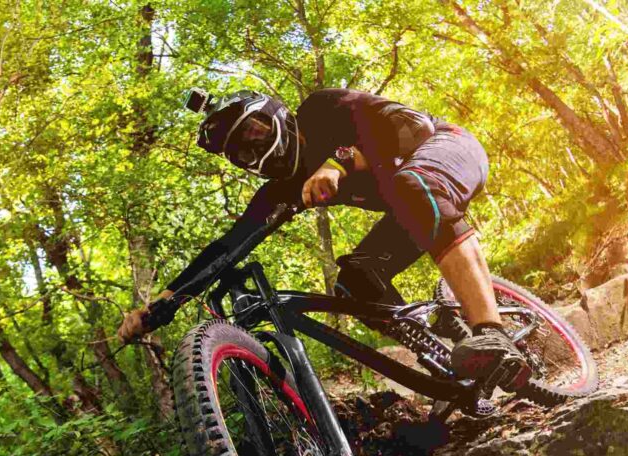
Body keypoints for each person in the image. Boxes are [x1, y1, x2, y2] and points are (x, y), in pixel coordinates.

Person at [117, 88, 530, 389]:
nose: (255, 150)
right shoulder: (280, 191)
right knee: (354, 283)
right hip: (412, 206)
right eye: (243, 152)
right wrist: (161, 307)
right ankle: (451, 347)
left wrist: (339, 161)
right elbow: (226, 249)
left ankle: (490, 329)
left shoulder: (322, 110)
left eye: (255, 132)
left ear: (275, 114)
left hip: (447, 149)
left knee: (411, 185)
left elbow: (412, 127)